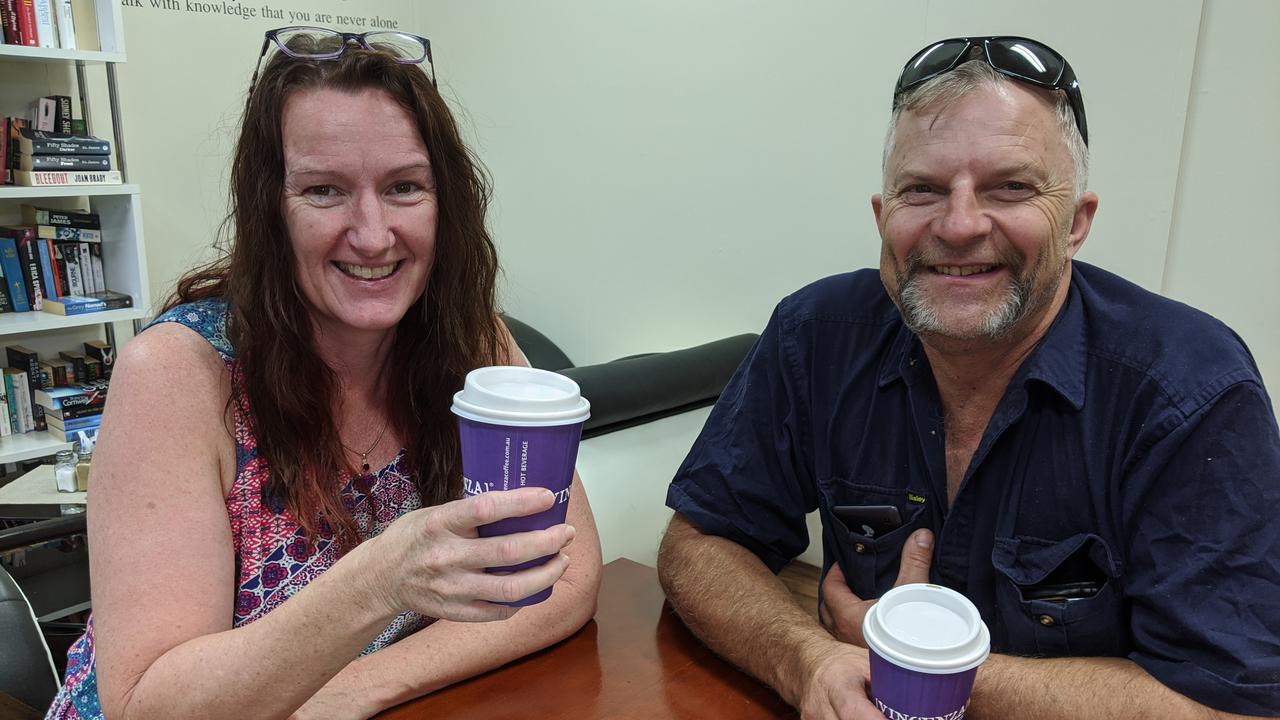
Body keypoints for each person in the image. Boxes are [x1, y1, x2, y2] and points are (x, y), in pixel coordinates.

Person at [658, 35, 1280, 719]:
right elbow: (699, 545)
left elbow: (1229, 706)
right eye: (922, 189)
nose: (958, 225)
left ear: (1076, 223)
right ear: (882, 217)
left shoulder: (1190, 392)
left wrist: (921, 671)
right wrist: (807, 659)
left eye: (1010, 187)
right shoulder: (817, 335)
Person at [46, 27, 602, 720]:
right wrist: (380, 581)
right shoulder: (177, 374)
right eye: (324, 191)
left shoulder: (468, 339)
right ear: (271, 209)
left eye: (404, 187)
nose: (372, 234)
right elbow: (145, 704)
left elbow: (565, 572)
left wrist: (358, 687)